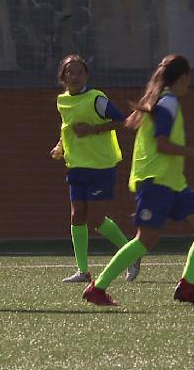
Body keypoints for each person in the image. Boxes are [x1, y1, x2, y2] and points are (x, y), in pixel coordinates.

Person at [82, 54, 194, 306]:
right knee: (144, 241)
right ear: (183, 78)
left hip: (173, 183)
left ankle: (187, 286)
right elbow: (162, 145)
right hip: (156, 181)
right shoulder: (167, 104)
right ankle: (98, 288)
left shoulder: (163, 101)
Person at [50, 55, 140, 284]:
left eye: (80, 72)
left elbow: (123, 120)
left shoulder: (96, 98)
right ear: (63, 77)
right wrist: (60, 146)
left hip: (100, 165)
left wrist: (93, 129)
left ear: (86, 75)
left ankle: (131, 253)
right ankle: (83, 271)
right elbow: (67, 128)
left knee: (96, 219)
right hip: (76, 165)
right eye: (70, 72)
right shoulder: (62, 101)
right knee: (77, 216)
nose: (75, 76)